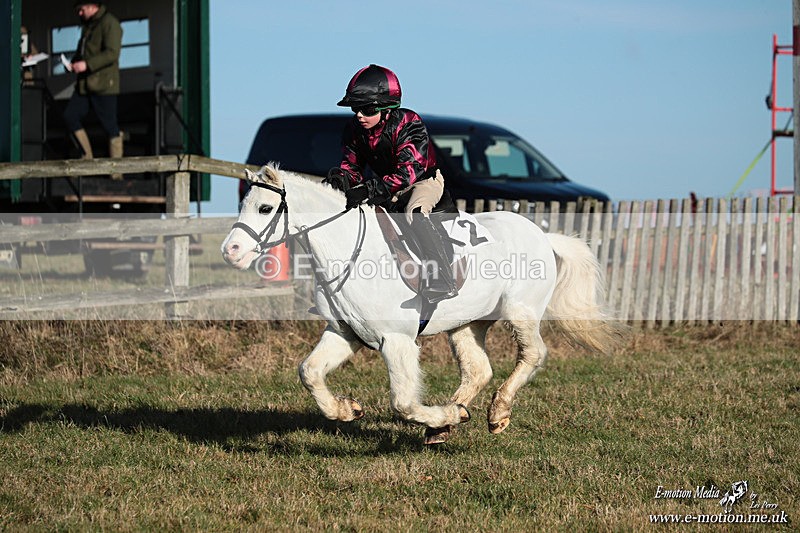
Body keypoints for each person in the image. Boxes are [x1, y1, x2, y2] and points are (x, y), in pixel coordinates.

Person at [325, 64, 458, 304]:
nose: (359, 115)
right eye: (356, 108)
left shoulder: (408, 122)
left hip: (422, 182)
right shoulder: (354, 130)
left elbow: (409, 171)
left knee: (414, 213)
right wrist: (342, 180)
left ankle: (442, 279)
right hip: (386, 186)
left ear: (386, 108)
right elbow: (352, 166)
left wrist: (371, 188)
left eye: (366, 109)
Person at [62, 1, 123, 177]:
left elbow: (112, 53)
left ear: (92, 6)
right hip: (84, 86)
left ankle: (116, 173)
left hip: (104, 86)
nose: (79, 13)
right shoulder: (88, 27)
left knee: (110, 127)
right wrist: (73, 63)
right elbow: (83, 51)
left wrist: (87, 65)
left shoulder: (110, 23)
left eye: (81, 9)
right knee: (70, 116)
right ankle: (87, 159)